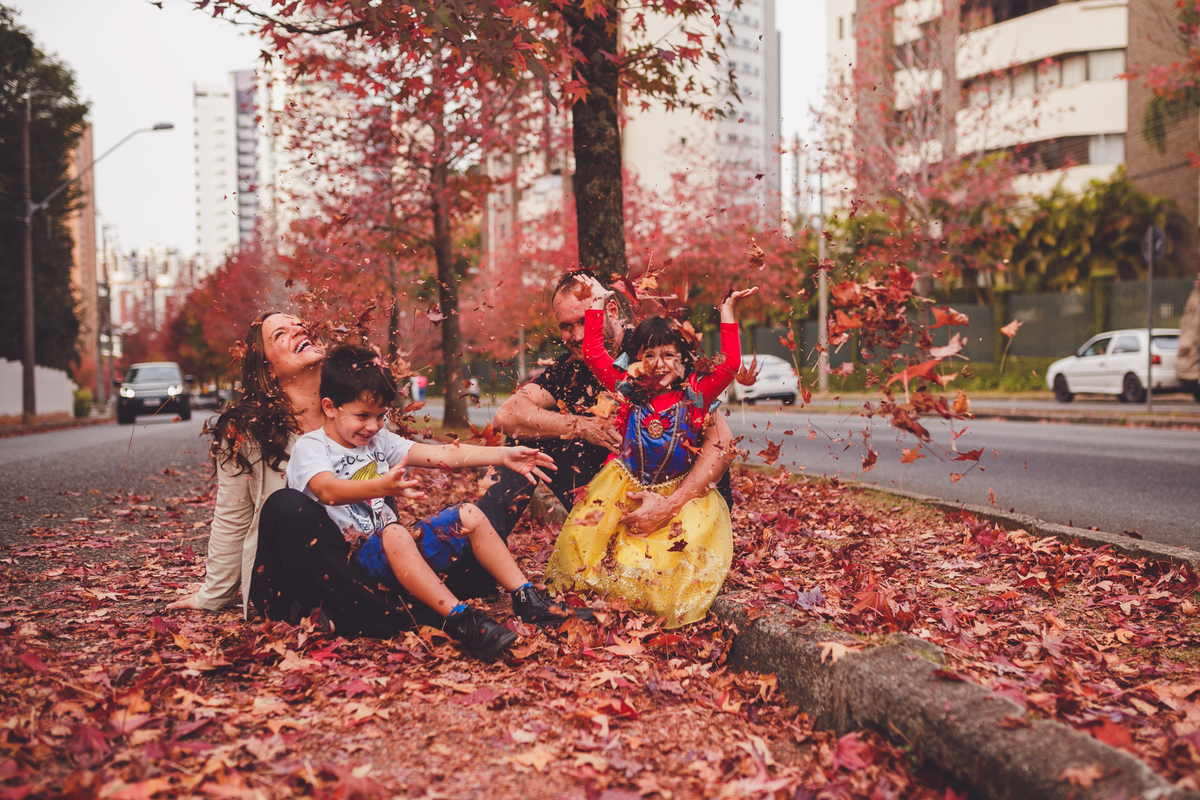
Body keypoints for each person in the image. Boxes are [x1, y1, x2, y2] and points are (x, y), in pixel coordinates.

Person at [166, 313, 468, 641]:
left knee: (463, 521)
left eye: (299, 324)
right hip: (291, 582)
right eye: (281, 332)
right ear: (266, 366)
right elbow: (232, 516)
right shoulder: (247, 430)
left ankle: (375, 605)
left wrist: (506, 456)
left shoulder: (359, 409)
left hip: (363, 561)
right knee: (286, 503)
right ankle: (404, 619)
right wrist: (213, 595)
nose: (298, 329)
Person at [287, 344, 583, 659]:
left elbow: (443, 455)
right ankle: (462, 620)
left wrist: (505, 454)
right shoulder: (312, 447)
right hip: (350, 566)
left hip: (394, 553)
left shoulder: (378, 441)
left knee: (469, 514)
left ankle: (528, 600)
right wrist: (381, 486)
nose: (373, 426)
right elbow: (327, 490)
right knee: (395, 531)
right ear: (330, 407)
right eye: (362, 416)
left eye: (380, 416)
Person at [457, 271, 736, 598]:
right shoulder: (570, 368)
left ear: (612, 311)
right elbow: (508, 415)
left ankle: (478, 562)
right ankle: (478, 562)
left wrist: (671, 503)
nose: (575, 335)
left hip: (679, 508)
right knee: (523, 441)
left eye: (581, 322)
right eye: (565, 326)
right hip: (618, 496)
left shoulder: (657, 349)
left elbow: (723, 441)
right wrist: (580, 426)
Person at [543, 285, 757, 627]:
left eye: (669, 355)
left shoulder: (696, 395)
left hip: (679, 496)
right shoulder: (626, 390)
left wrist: (727, 311)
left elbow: (731, 362)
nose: (658, 365)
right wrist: (597, 302)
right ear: (635, 361)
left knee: (662, 561)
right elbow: (594, 352)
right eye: (648, 356)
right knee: (577, 544)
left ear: (683, 359)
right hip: (623, 487)